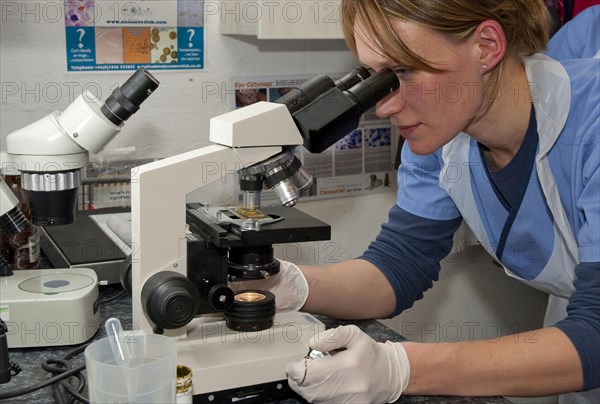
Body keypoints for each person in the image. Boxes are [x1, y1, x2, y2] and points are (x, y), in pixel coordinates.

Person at [232, 1, 599, 402]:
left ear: (487, 45)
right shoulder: (440, 138)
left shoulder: (591, 121)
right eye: (377, 78)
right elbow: (398, 266)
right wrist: (286, 281)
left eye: (404, 71)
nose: (385, 105)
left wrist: (402, 368)